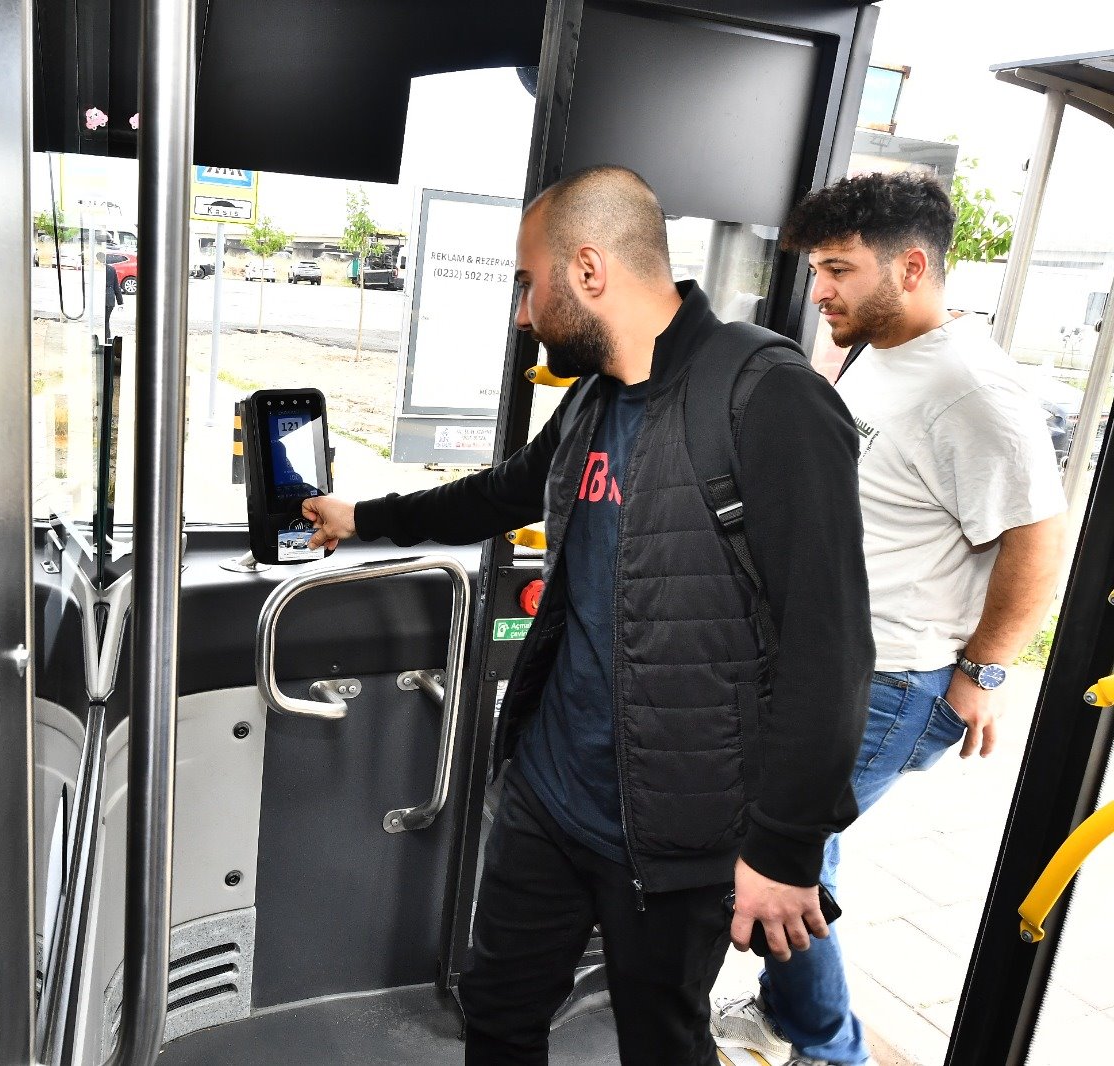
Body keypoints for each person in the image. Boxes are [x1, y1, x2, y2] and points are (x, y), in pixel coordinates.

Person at [302, 165, 874, 1066]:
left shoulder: (769, 398)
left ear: (589, 270)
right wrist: (363, 518)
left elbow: (829, 650)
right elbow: (498, 495)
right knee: (498, 1011)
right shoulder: (592, 400)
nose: (522, 314)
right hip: (549, 792)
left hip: (675, 827)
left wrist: (784, 850)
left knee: (659, 1042)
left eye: (529, 284)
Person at [710, 172, 1067, 1066]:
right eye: (817, 270)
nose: (819, 291)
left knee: (772, 854)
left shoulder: (973, 389)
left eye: (838, 270)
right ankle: (793, 1021)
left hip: (891, 682)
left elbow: (1037, 540)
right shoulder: (883, 350)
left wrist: (982, 670)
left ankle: (829, 1049)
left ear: (910, 268)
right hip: (834, 666)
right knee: (801, 855)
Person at [101, 252, 123, 340]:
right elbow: (116, 286)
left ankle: (104, 339)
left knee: (104, 321)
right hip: (110, 299)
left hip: (102, 297)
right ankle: (107, 339)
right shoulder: (111, 269)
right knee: (106, 321)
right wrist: (120, 302)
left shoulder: (98, 270)